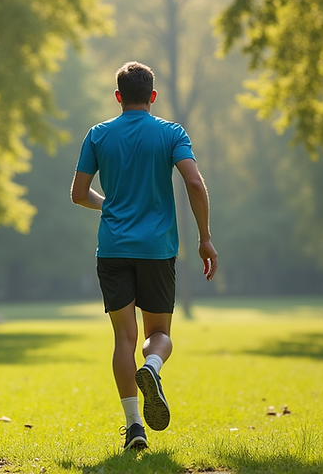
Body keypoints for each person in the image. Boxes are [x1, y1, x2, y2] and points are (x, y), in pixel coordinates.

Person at [70, 61, 218, 451]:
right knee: (159, 335)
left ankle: (135, 427)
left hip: (114, 248)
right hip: (157, 249)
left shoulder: (98, 135)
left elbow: (79, 194)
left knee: (124, 338)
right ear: (152, 96)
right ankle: (151, 367)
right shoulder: (171, 133)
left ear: (118, 97)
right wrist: (204, 238)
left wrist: (113, 206)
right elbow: (194, 182)